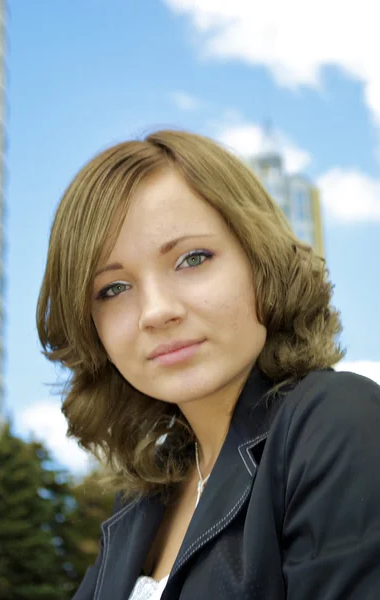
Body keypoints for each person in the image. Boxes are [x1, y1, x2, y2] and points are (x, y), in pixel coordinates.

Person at [37, 129, 380, 600]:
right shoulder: (147, 493)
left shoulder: (336, 420)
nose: (156, 312)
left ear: (259, 258)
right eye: (113, 289)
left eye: (192, 259)